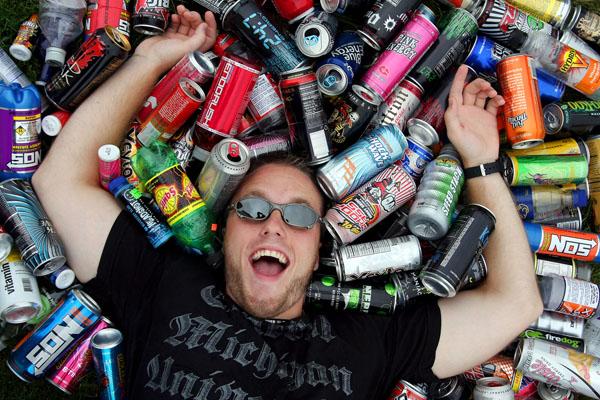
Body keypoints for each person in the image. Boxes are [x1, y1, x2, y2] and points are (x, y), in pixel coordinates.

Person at [32, 6, 543, 399]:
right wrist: (151, 59)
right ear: (220, 228)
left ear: (321, 245)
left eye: (299, 216)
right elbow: (58, 184)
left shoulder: (369, 338)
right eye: (252, 210)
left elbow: (515, 307)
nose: (273, 225)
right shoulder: (164, 282)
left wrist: (480, 164)